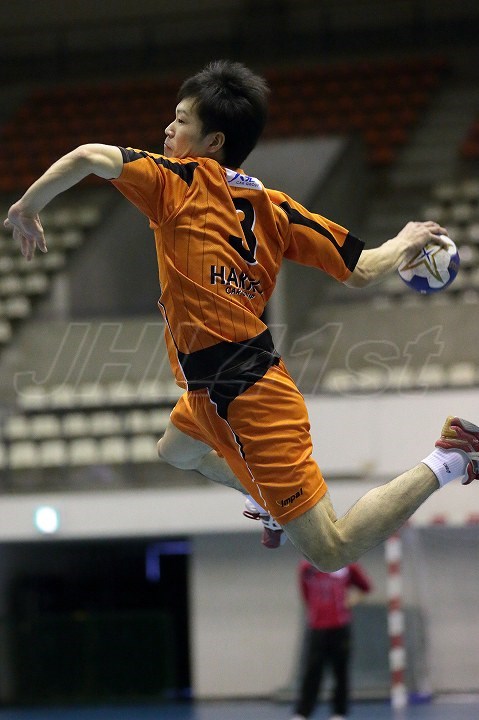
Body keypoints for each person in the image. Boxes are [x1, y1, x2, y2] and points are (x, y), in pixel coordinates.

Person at [4, 60, 479, 571]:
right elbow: (361, 269)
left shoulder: (176, 182)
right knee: (175, 451)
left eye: (181, 120)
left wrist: (27, 207)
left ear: (214, 142)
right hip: (208, 390)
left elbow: (88, 156)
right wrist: (403, 241)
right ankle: (264, 499)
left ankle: (451, 456)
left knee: (331, 549)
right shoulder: (277, 208)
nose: (168, 129)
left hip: (251, 393)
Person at [291, 560, 372, 720]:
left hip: (340, 628)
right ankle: (303, 713)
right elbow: (305, 595)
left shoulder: (347, 565)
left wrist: (350, 601)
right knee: (312, 671)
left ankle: (339, 712)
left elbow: (366, 588)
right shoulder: (307, 568)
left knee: (340, 671)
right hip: (317, 628)